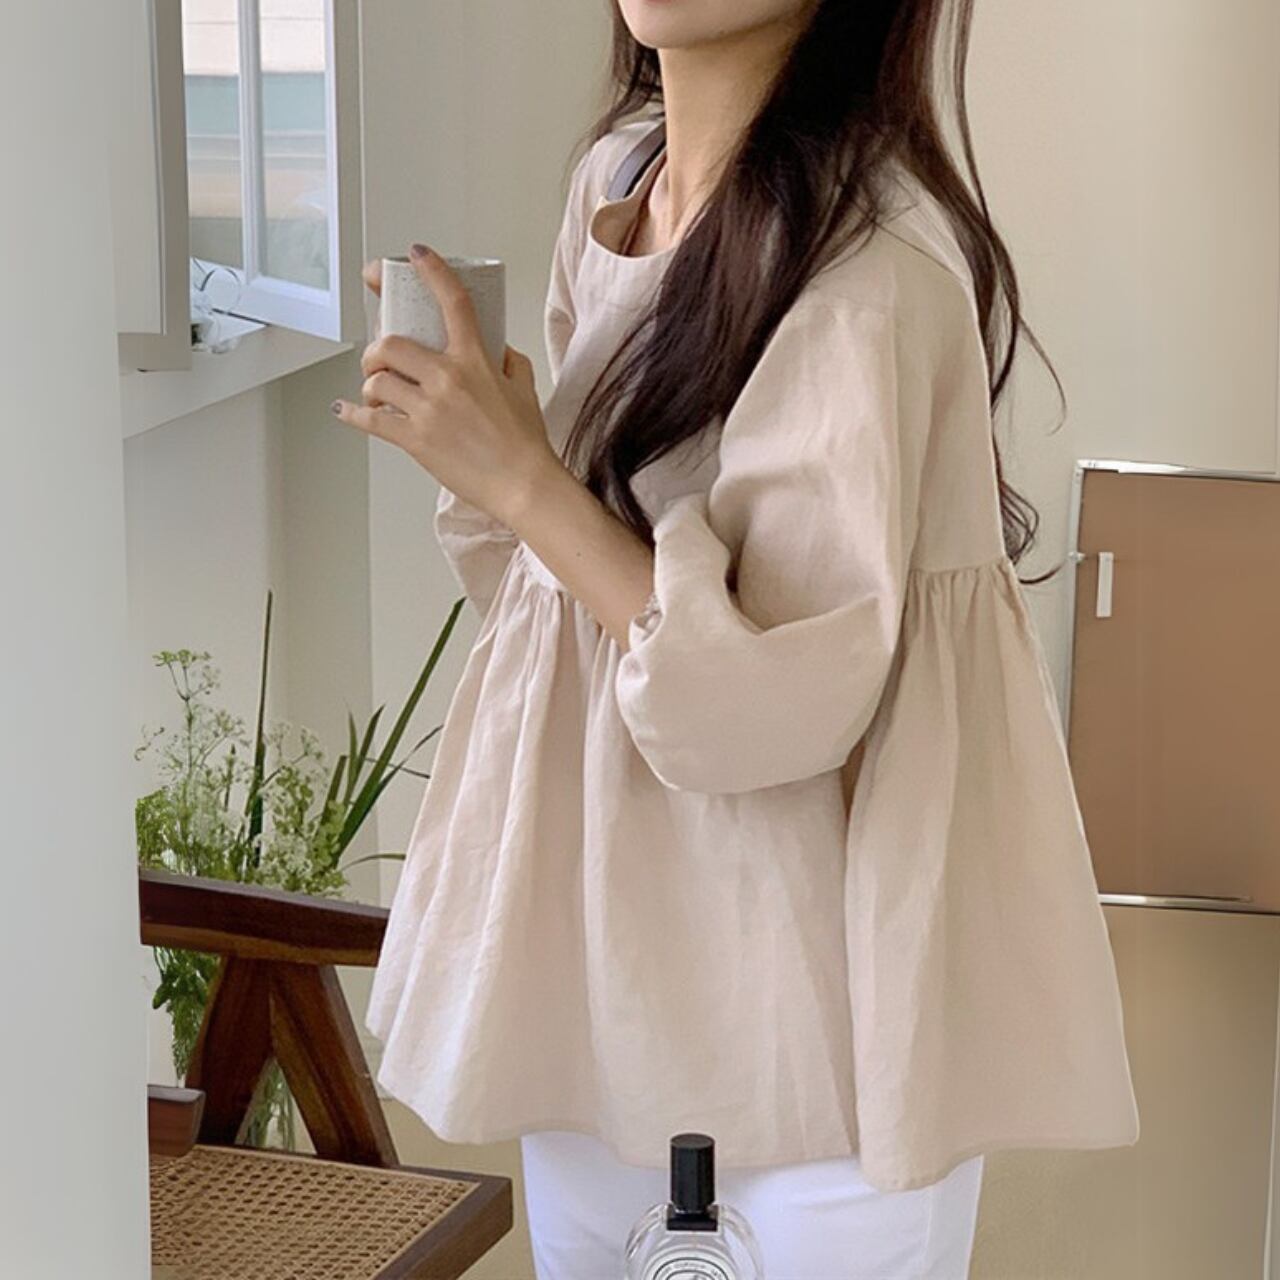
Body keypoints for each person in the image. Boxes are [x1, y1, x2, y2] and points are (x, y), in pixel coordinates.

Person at [338, 1, 1141, 1275]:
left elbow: (761, 713)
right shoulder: (619, 183)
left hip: (805, 1011)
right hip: (604, 963)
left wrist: (523, 480)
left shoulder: (867, 273)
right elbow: (559, 608)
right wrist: (501, 458)